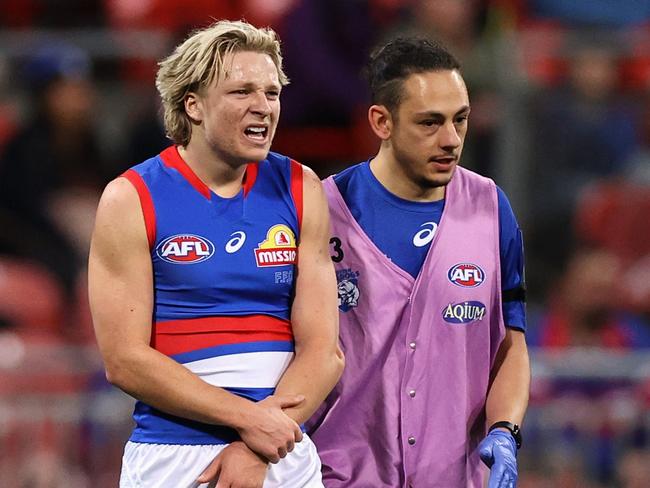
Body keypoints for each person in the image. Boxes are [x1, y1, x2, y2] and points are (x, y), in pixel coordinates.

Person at [88, 20, 344, 487]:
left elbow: (325, 353)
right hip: (174, 455)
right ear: (194, 106)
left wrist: (256, 445)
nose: (263, 107)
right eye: (242, 91)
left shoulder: (301, 188)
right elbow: (124, 358)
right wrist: (250, 422)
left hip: (280, 453)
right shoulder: (131, 197)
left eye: (271, 92)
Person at [307, 37, 531, 487]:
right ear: (381, 121)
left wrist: (505, 429)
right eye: (429, 123)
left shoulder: (490, 209)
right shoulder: (321, 210)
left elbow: (510, 342)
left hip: (450, 476)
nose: (450, 139)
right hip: (335, 476)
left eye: (460, 120)